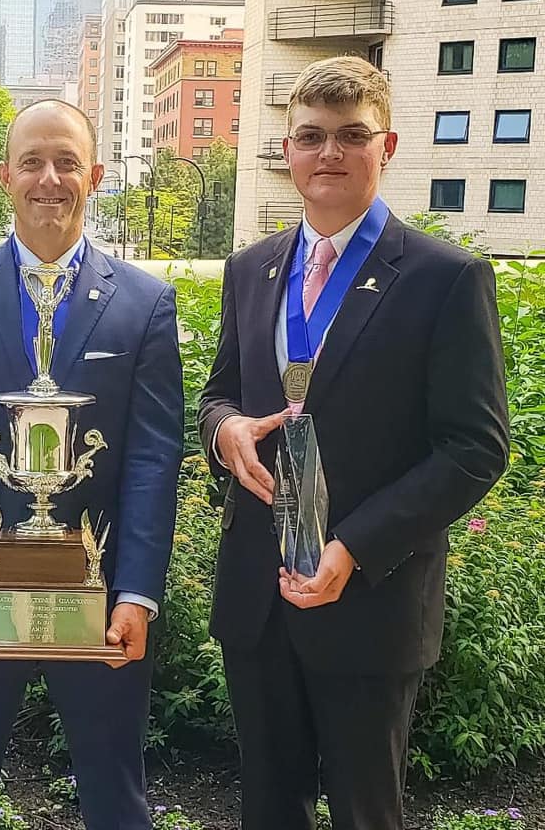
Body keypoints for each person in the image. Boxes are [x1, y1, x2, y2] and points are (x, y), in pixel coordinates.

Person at [198, 57, 509, 830]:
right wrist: (225, 430)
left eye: (350, 136)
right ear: (287, 152)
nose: (328, 153)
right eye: (310, 136)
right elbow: (218, 394)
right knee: (269, 807)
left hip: (369, 596)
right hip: (258, 593)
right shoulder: (252, 270)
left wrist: (354, 549)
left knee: (367, 812)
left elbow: (476, 446)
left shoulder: (444, 277)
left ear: (388, 145)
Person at [0, 100, 183, 830]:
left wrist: (137, 594)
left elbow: (155, 459)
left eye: (66, 162)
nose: (49, 178)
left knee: (115, 788)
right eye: (31, 161)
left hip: (100, 595)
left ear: (93, 176)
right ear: (6, 175)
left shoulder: (147, 303)